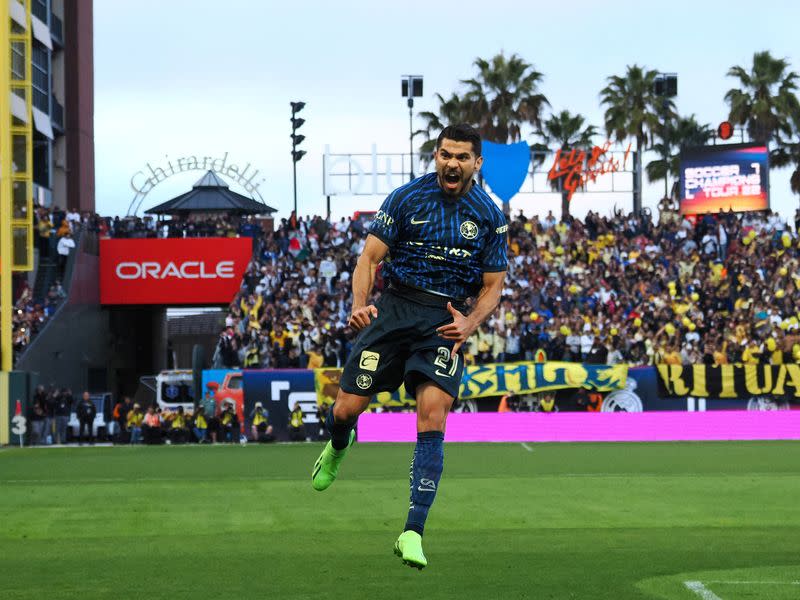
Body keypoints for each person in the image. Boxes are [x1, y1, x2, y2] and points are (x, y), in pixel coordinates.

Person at [310, 124, 507, 569]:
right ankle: (339, 445)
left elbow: (494, 286)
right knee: (344, 410)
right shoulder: (405, 199)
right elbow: (369, 258)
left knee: (433, 413)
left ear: (477, 164)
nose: (451, 163)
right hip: (395, 312)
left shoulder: (490, 216)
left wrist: (471, 322)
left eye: (461, 157)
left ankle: (412, 531)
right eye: (444, 155)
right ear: (435, 157)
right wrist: (360, 304)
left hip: (443, 321)